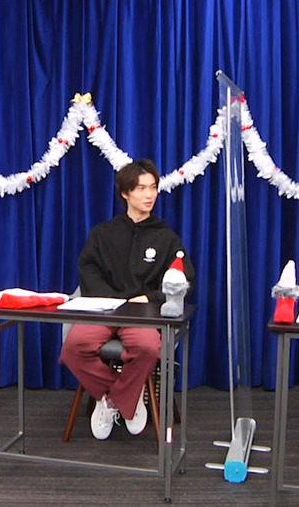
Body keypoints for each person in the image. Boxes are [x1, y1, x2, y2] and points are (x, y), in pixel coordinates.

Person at [59, 159, 195, 440]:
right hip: (105, 310)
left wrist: (150, 297)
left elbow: (183, 281)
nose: (149, 195)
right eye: (141, 188)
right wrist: (113, 300)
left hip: (142, 315)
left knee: (147, 348)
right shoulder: (102, 233)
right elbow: (88, 272)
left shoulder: (167, 238)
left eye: (153, 187)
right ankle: (123, 397)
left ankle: (116, 400)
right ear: (125, 193)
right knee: (73, 348)